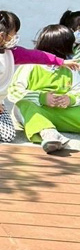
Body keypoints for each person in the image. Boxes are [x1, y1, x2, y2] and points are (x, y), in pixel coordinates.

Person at [0, 10, 78, 144]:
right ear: (2, 35)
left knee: (8, 136)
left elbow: (37, 55)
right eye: (14, 33)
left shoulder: (11, 53)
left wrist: (61, 62)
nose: (16, 36)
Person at [9, 24, 80, 154]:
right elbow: (14, 91)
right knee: (22, 105)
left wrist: (70, 99)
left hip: (63, 112)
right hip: (38, 110)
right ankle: (49, 134)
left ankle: (50, 128)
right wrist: (41, 98)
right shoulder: (30, 66)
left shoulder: (70, 69)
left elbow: (78, 91)